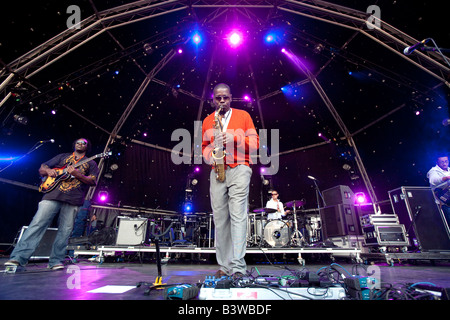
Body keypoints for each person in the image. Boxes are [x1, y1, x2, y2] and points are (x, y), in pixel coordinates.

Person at [5, 138, 99, 270]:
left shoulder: (92, 163)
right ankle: (18, 258)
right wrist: (49, 171)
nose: (80, 144)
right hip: (52, 195)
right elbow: (42, 168)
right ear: (74, 144)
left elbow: (92, 182)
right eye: (78, 142)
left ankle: (56, 261)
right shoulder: (63, 157)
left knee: (65, 231)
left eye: (84, 143)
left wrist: (77, 174)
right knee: (37, 224)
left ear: (87, 147)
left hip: (74, 199)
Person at [202, 83, 259, 278]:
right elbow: (204, 146)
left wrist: (234, 138)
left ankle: (237, 266)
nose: (222, 101)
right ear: (213, 100)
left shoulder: (244, 116)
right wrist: (209, 155)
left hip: (240, 168)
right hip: (217, 170)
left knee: (238, 216)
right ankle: (224, 266)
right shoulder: (208, 120)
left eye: (225, 97)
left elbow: (255, 144)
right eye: (218, 98)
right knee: (220, 220)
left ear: (231, 97)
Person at [427, 155, 450, 223]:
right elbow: (433, 180)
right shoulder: (433, 171)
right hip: (443, 203)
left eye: (446, 161)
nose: (444, 163)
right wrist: (447, 177)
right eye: (442, 162)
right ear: (437, 162)